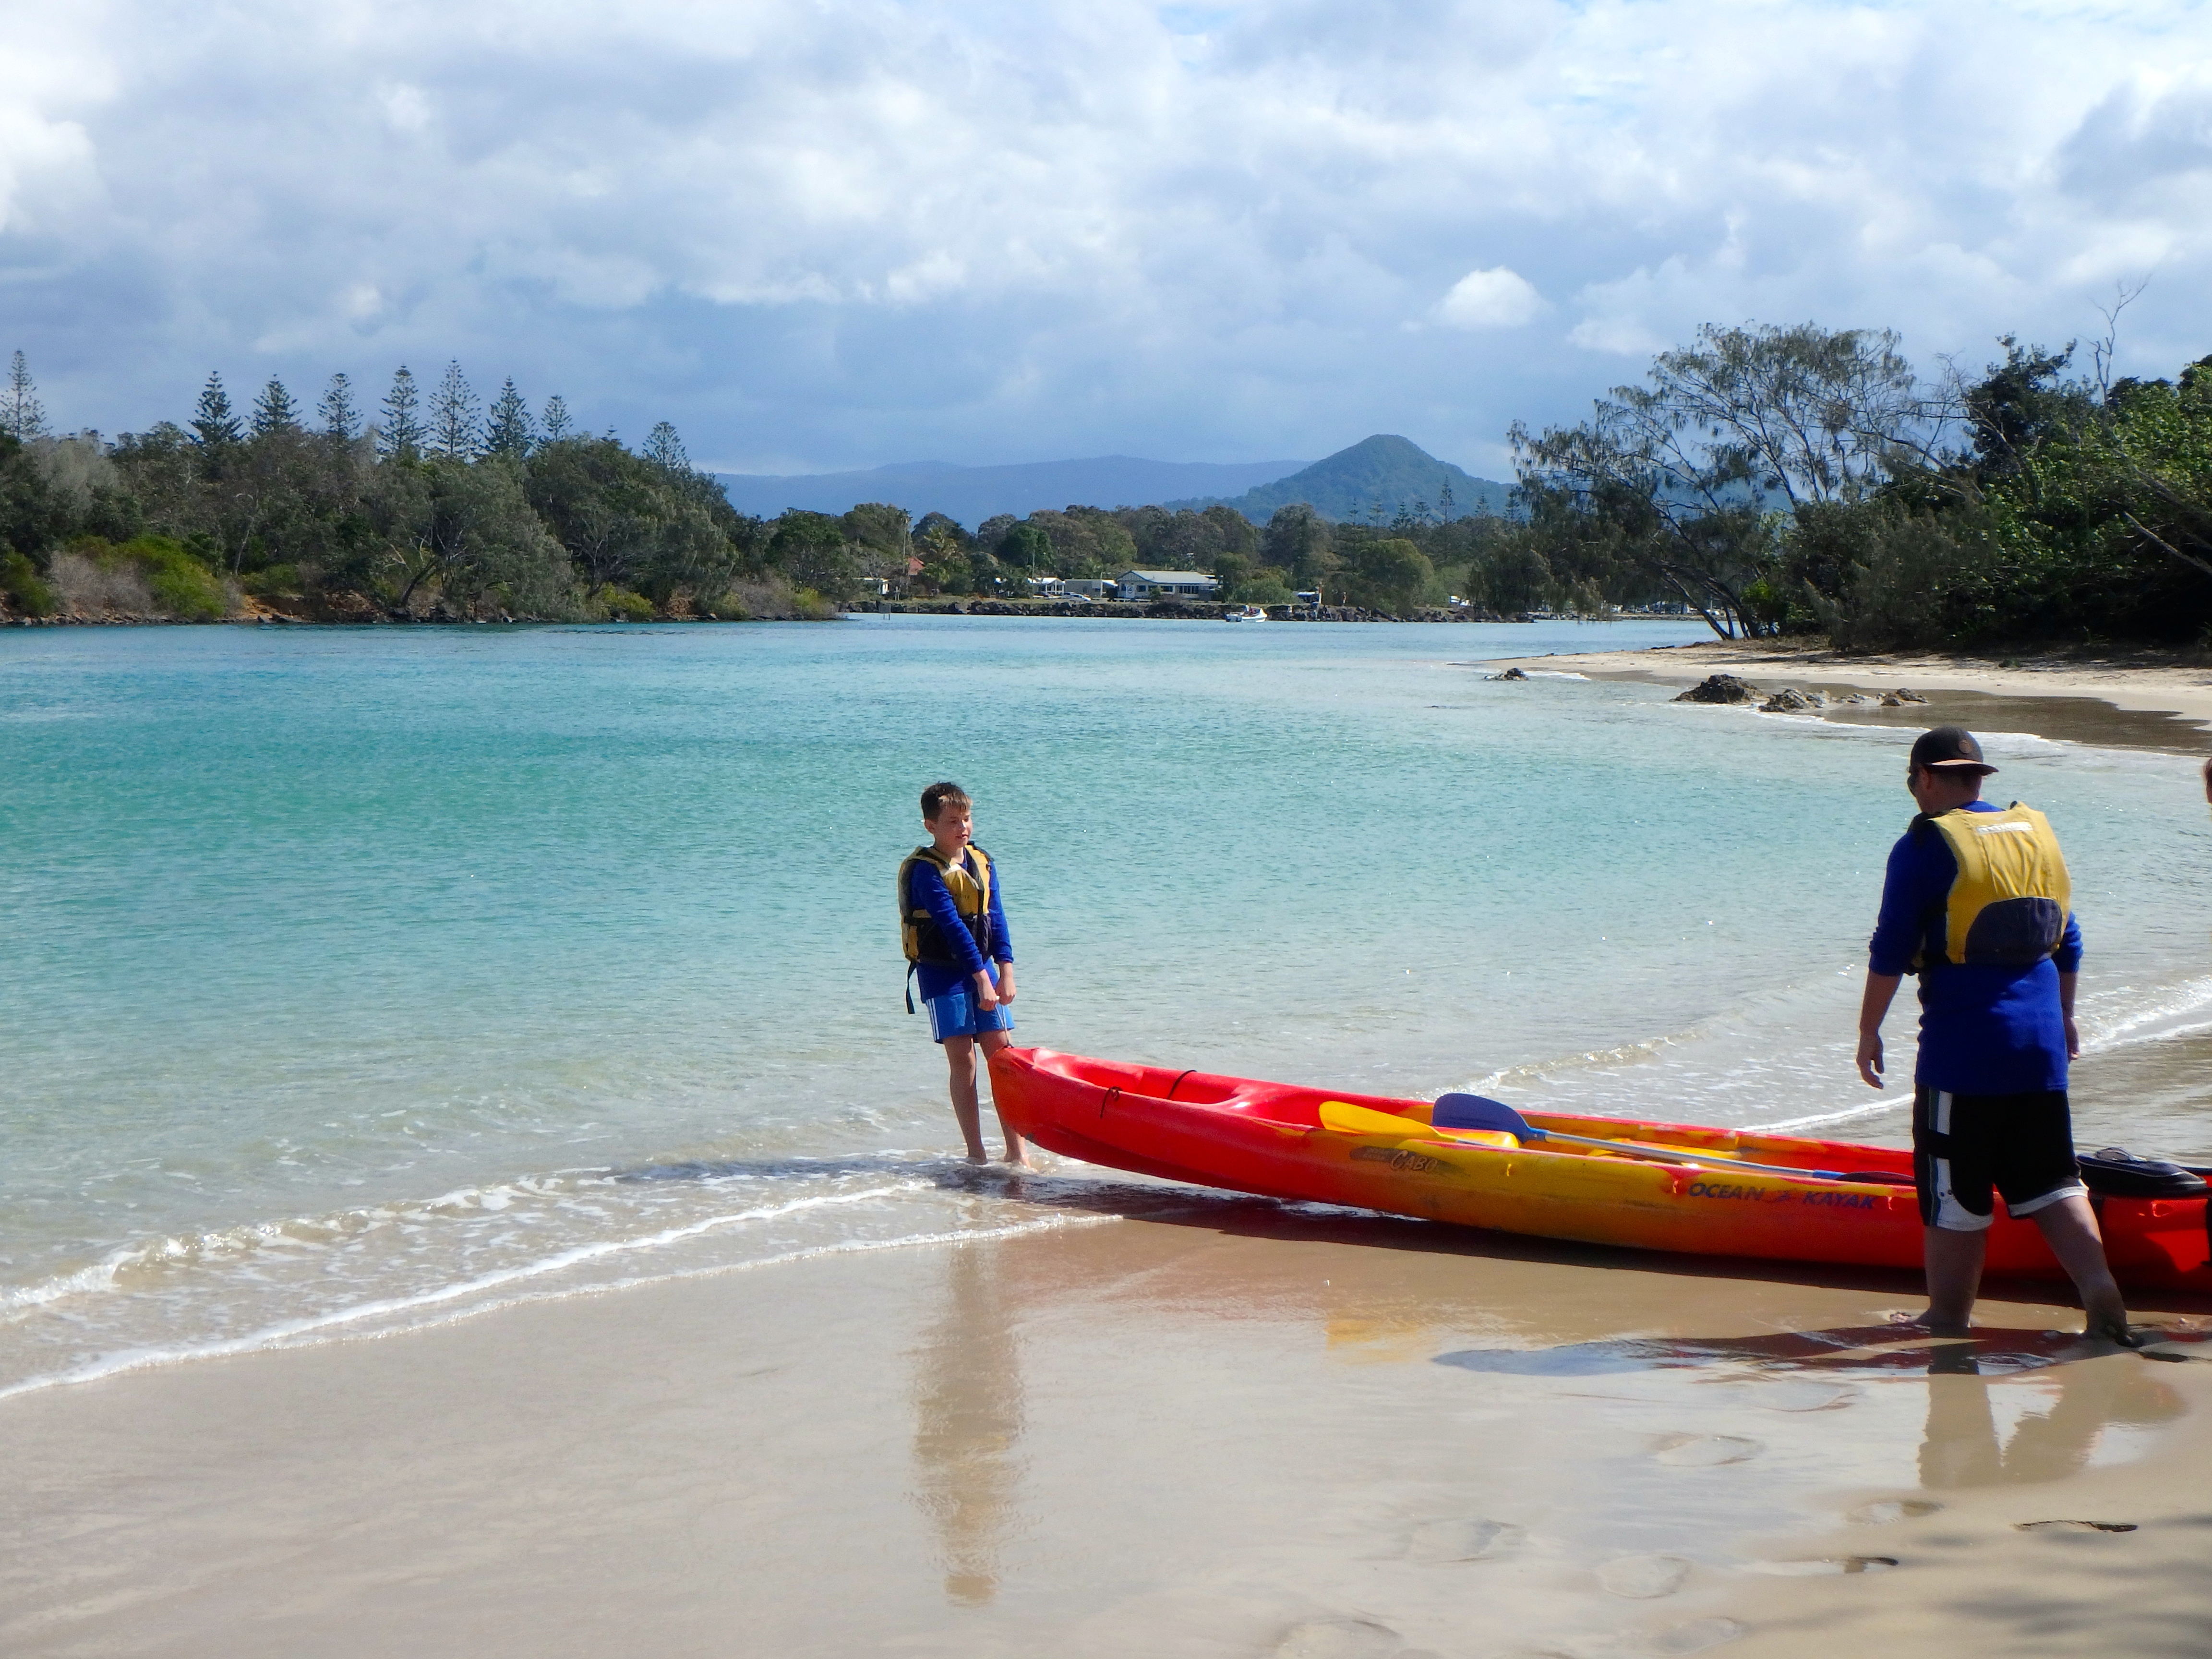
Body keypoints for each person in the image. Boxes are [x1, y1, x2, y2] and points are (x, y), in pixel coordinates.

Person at [1855, 726, 2132, 1344]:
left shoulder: (1926, 845)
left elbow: (1892, 947)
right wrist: (2064, 1016)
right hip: (2040, 1048)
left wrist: (1869, 1029)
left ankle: (1948, 1319)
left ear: (1926, 778)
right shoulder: (2029, 836)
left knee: (1954, 1194)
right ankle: (2099, 1290)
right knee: (2054, 1180)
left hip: (1966, 1055)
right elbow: (2070, 937)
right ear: (1978, 778)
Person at [899, 781, 1032, 1167]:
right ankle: (976, 1155)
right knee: (964, 1060)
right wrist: (981, 978)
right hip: (943, 974)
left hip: (983, 969)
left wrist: (1005, 970)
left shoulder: (982, 862)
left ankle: (1017, 1153)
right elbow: (953, 927)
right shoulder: (926, 873)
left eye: (967, 819)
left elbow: (997, 918)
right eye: (953, 821)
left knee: (1002, 1057)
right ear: (931, 826)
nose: (964, 828)